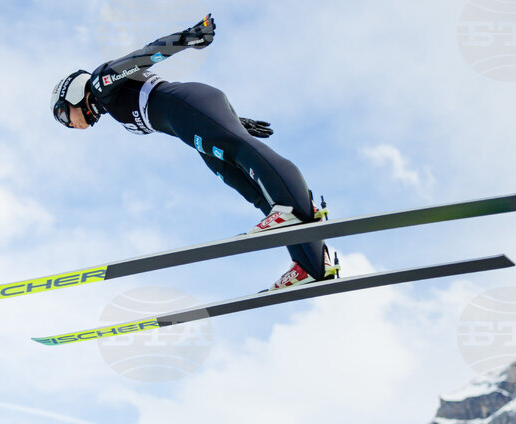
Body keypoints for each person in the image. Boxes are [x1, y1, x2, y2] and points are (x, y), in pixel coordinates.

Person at [50, 13, 339, 290]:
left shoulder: (100, 82)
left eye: (64, 115)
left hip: (188, 106)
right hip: (188, 123)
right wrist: (235, 122)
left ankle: (296, 206)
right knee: (252, 190)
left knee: (243, 152)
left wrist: (187, 38)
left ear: (72, 91)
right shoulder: (107, 103)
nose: (70, 124)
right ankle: (312, 265)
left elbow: (141, 57)